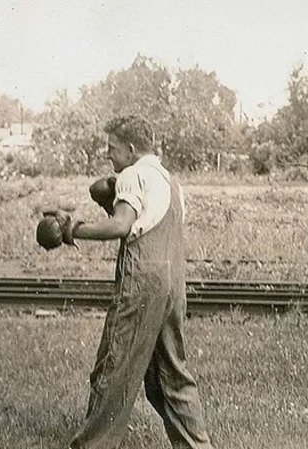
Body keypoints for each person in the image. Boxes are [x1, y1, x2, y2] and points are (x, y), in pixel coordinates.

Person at [46, 115, 214, 449]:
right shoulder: (170, 180)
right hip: (173, 283)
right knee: (170, 376)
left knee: (113, 371)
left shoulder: (132, 175)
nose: (109, 155)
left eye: (112, 149)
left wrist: (72, 230)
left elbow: (122, 226)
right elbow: (148, 220)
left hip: (143, 281)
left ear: (132, 149)